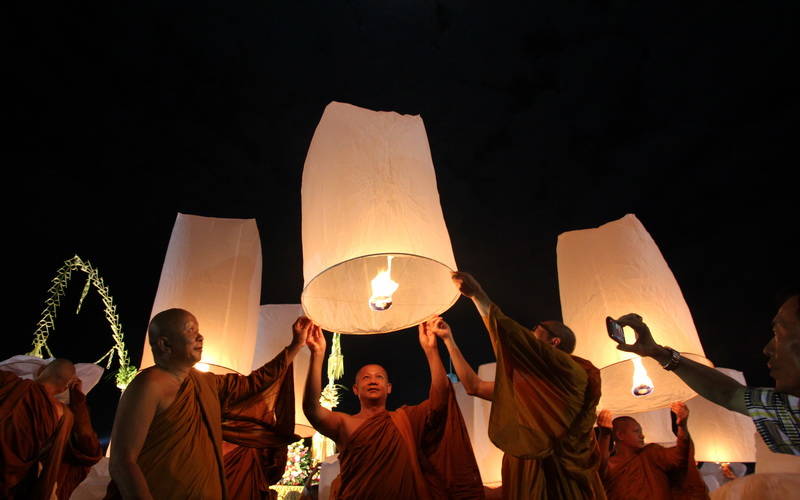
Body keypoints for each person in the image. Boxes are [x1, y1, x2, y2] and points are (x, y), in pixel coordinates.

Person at [106, 308, 309, 500]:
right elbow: (122, 461)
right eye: (190, 330)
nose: (200, 337)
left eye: (198, 330)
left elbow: (253, 383)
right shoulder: (149, 386)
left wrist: (295, 345)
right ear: (165, 344)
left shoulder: (206, 383)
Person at [449, 271, 606, 499]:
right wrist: (448, 340)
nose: (529, 335)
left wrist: (478, 295)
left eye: (534, 331)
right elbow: (474, 386)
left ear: (554, 342)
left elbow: (512, 338)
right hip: (526, 470)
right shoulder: (530, 387)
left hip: (563, 473)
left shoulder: (575, 373)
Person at [302, 317, 484, 499]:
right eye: (366, 378)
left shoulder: (405, 420)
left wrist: (431, 350)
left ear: (389, 388)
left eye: (379, 377)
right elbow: (312, 410)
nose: (373, 380)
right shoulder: (344, 423)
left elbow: (440, 401)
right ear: (356, 389)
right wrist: (317, 354)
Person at [610, 291, 799, 456]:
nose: (768, 349)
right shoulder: (792, 412)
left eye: (778, 333)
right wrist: (658, 352)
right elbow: (729, 394)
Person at [0, 358, 103, 499]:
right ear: (66, 387)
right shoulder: (63, 415)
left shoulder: (8, 381)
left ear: (41, 371)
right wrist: (78, 403)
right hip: (13, 483)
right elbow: (89, 453)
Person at [595, 403, 708, 499]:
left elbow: (681, 456)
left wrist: (682, 427)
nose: (642, 436)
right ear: (620, 435)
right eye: (636, 431)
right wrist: (604, 435)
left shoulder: (651, 453)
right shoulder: (612, 465)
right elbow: (598, 468)